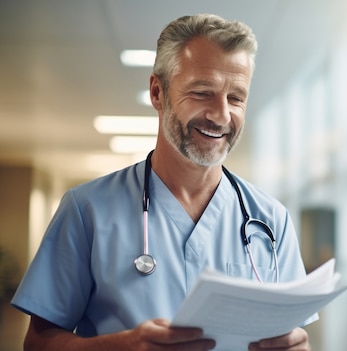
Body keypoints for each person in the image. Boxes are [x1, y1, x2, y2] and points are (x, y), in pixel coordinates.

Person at [11, 13, 316, 351]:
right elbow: (38, 342)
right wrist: (123, 346)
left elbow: (294, 335)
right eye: (202, 93)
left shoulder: (272, 220)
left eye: (236, 98)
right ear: (158, 92)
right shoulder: (87, 211)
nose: (221, 115)